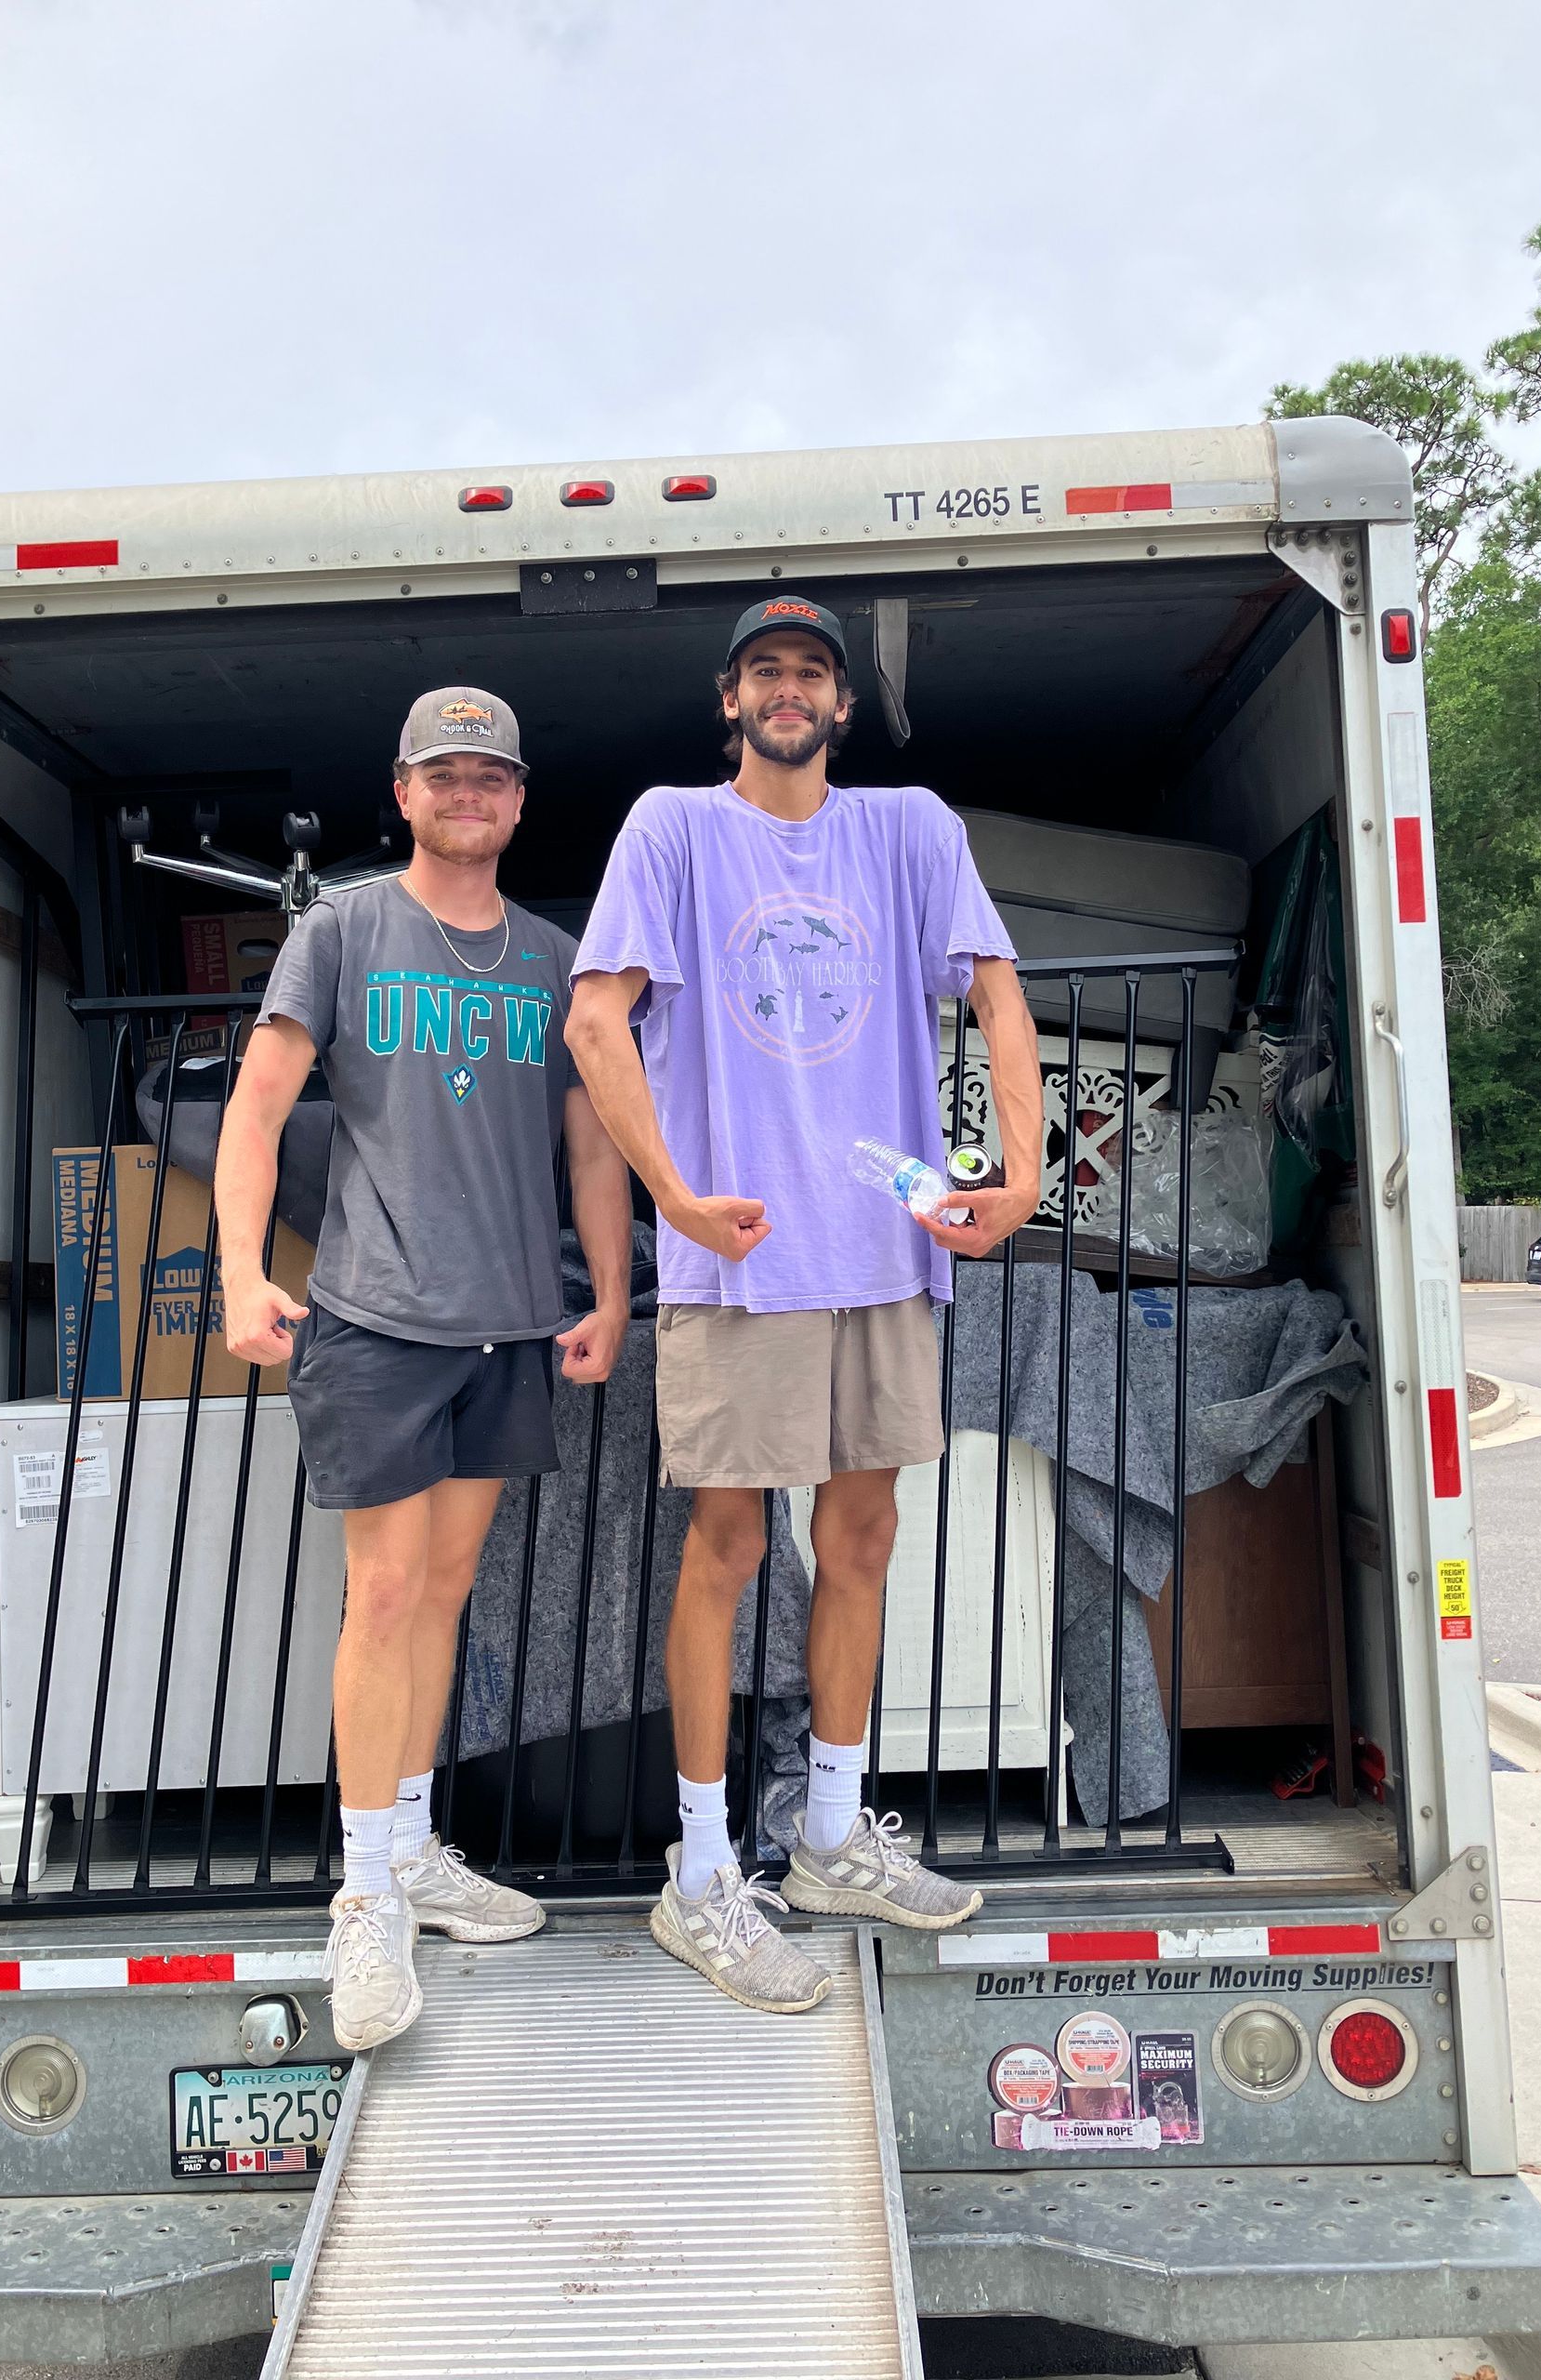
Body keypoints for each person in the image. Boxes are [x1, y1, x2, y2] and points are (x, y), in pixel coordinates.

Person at [566, 598, 1044, 2013]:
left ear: (843, 704)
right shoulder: (672, 827)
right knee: (725, 1546)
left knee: (866, 1532)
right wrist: (679, 1198)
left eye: (813, 673)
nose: (790, 690)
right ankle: (703, 1873)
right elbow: (597, 1020)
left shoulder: (911, 830)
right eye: (766, 671)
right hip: (742, 1259)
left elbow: (1001, 997)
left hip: (886, 1251)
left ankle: (830, 1832)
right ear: (732, 699)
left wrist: (1017, 1174)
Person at [217, 686, 631, 2051]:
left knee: (446, 1594)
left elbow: (589, 1147)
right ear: (402, 791)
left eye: (491, 777)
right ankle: (363, 1900)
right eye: (444, 773)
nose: (469, 794)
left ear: (518, 804)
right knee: (383, 1595)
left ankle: (409, 1849)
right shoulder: (340, 929)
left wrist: (612, 1293)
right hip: (378, 1322)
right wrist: (236, 1270)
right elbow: (259, 1109)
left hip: (510, 1323)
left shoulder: (555, 958)